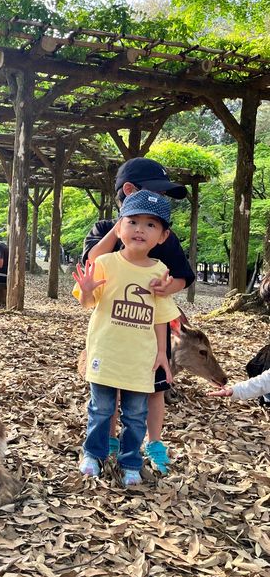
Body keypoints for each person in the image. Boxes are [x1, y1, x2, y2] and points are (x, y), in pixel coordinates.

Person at [82, 157, 194, 475]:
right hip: (114, 325)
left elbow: (185, 276)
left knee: (152, 386)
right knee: (111, 386)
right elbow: (93, 262)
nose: (162, 202)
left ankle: (153, 441)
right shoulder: (107, 229)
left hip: (154, 320)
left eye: (152, 223)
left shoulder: (164, 235)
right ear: (129, 191)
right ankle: (110, 441)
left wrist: (167, 286)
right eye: (156, 193)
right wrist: (120, 229)